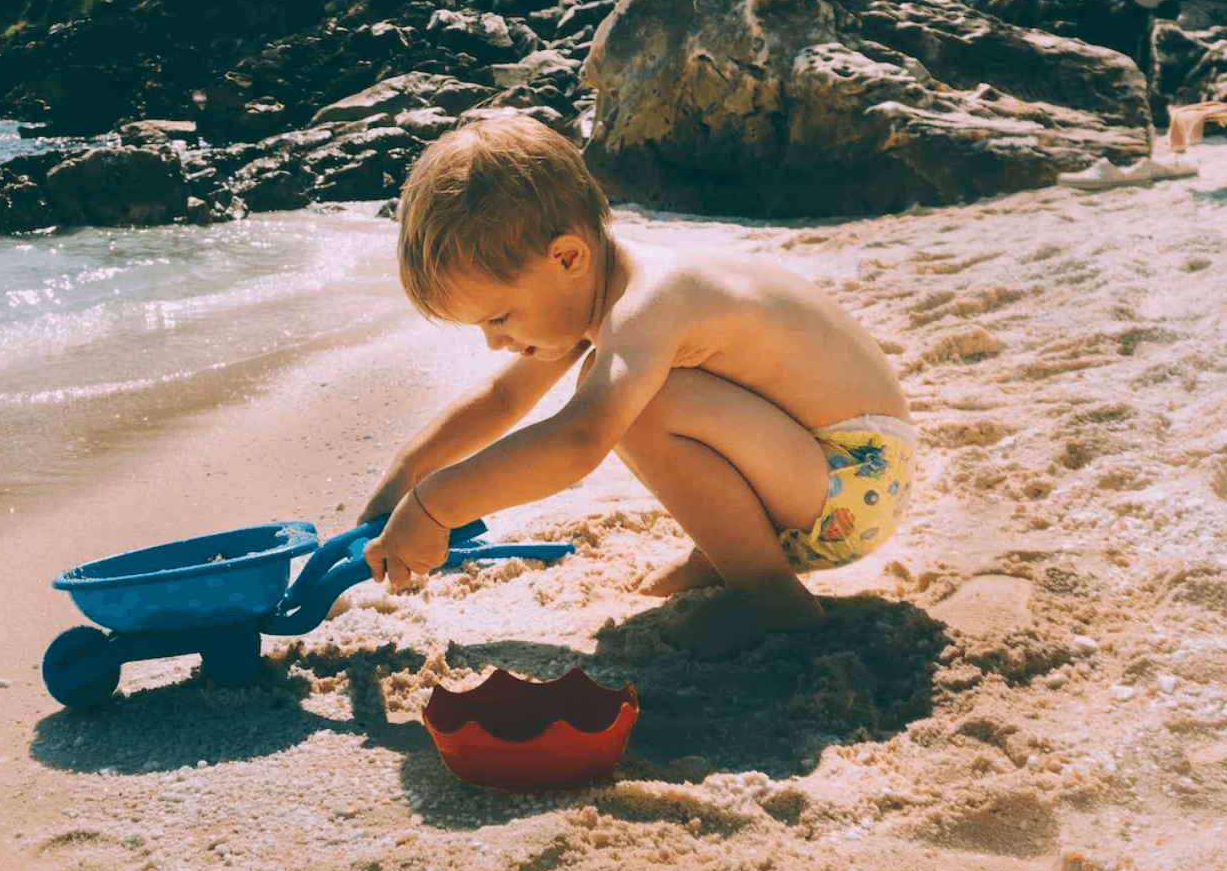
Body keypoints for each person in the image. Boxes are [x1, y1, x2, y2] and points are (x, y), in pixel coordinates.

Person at [359, 114, 915, 657]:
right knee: (628, 389)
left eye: (499, 317)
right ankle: (731, 555)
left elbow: (581, 440)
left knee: (640, 404)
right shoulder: (595, 293)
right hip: (819, 473)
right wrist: (406, 475)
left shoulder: (648, 304)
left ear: (567, 257)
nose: (494, 342)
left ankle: (770, 595)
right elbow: (504, 399)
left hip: (856, 478)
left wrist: (436, 507)